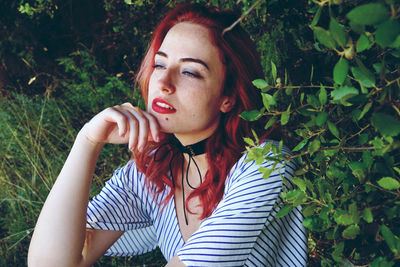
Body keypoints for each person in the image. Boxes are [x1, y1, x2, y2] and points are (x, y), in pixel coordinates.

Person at [28, 3, 307, 266]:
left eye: (190, 72)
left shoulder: (265, 163)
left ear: (228, 97)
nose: (163, 82)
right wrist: (87, 141)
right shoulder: (150, 173)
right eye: (160, 65)